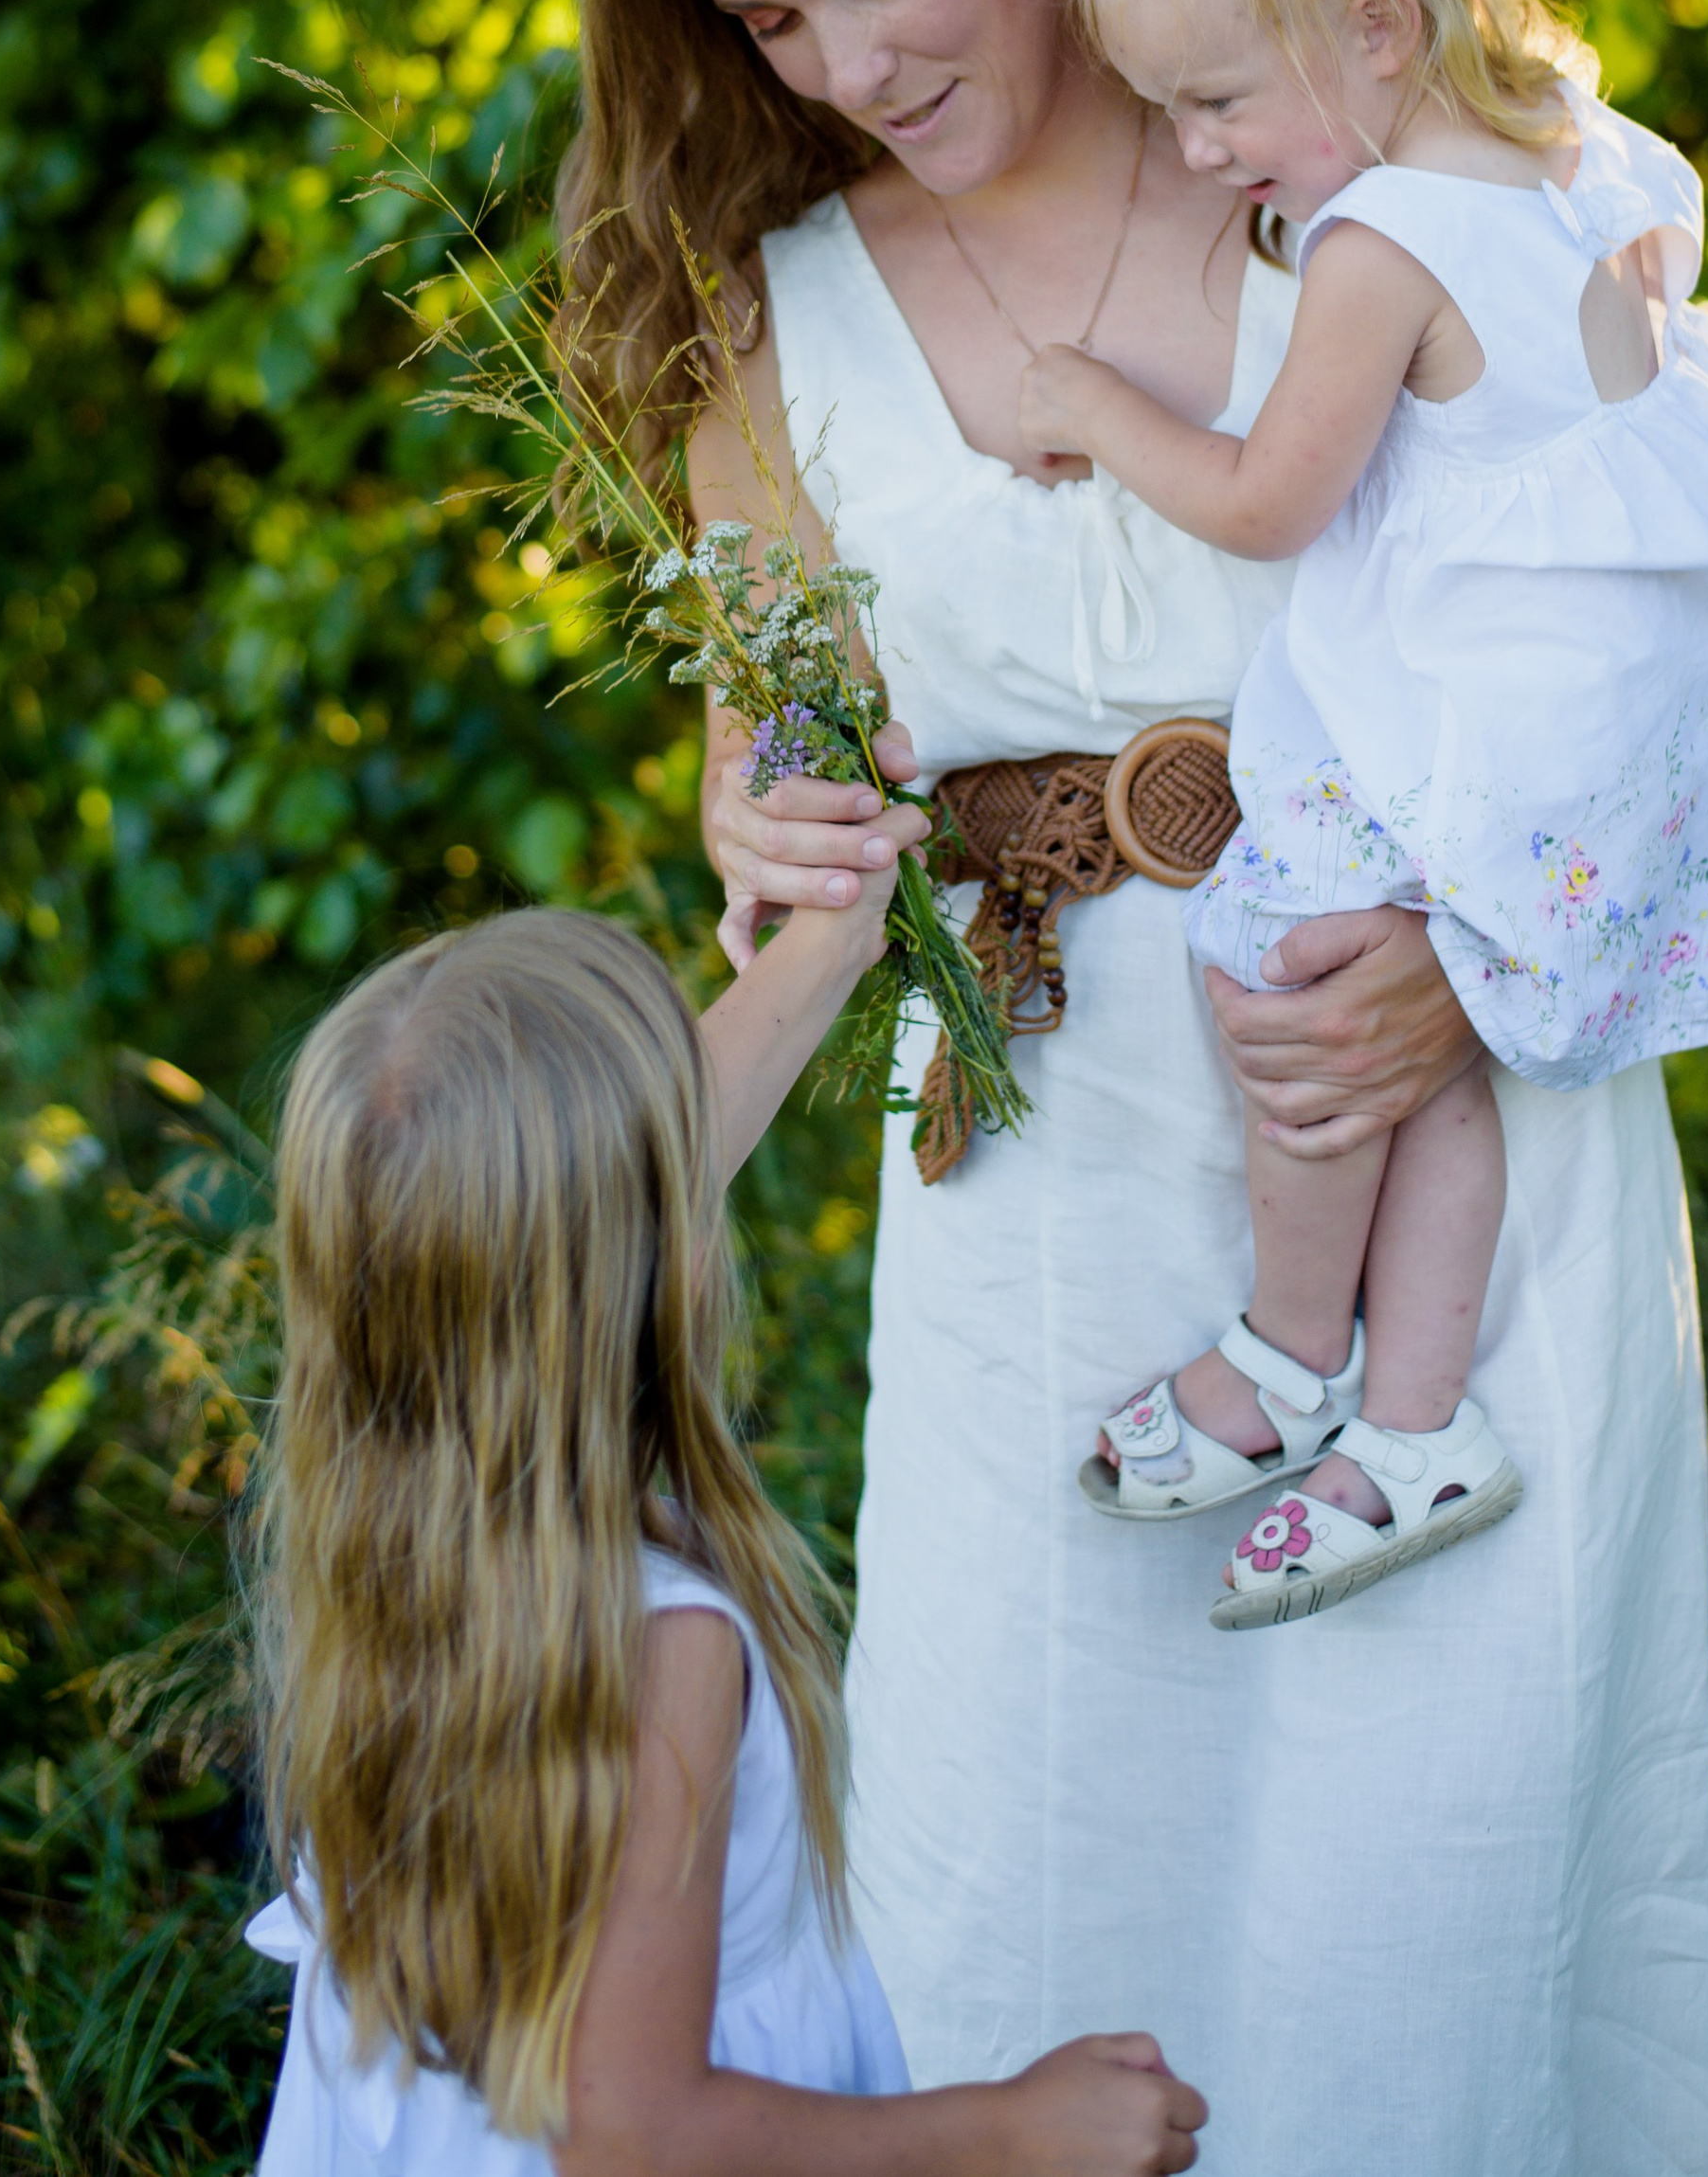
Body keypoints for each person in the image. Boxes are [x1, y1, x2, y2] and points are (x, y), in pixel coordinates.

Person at [559, 0, 1708, 2176]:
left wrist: (1469, 965)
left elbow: (1669, 618)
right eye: (774, 20)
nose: (853, 61)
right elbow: (772, 727)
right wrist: (760, 805)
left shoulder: (1379, 193)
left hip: (1449, 1098)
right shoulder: (767, 316)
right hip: (1047, 1169)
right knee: (1047, 1826)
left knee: (1439, 1863)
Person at [1021, 0, 1708, 1626]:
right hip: (1602, 716)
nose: (1189, 152)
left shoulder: (1379, 246)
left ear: (1376, 26)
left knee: (1278, 968)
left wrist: (1094, 405)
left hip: (1474, 720)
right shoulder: (1580, 141)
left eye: (1214, 101)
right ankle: (1409, 1421)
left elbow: (1269, 503)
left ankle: (1278, 1355)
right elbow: (1648, 330)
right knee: (1411, 1043)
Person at [243, 883, 1210, 2177]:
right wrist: (1008, 2130)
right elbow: (634, 2137)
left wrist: (834, 935)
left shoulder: (382, 1523)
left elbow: (599, 1195)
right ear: (662, 1257)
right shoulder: (661, 1651)